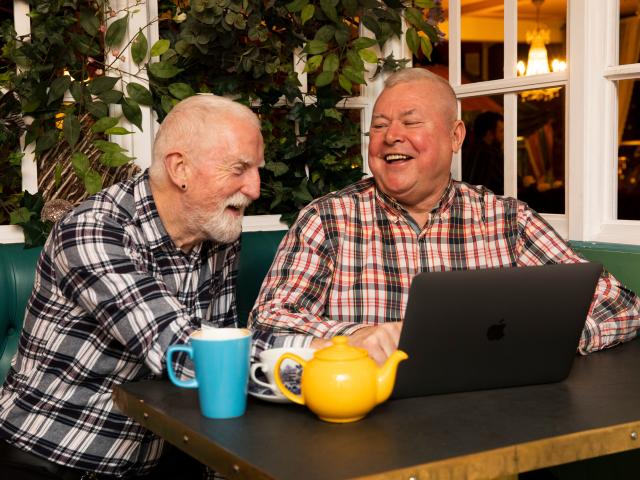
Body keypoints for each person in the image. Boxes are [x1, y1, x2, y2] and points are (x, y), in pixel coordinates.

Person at [249, 67, 640, 366]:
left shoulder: (507, 220)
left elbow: (621, 305)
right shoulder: (327, 219)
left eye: (411, 122)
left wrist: (539, 339)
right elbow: (265, 325)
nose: (390, 136)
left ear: (456, 137)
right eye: (379, 126)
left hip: (490, 424)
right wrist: (354, 336)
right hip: (368, 428)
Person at [0, 94, 263, 479]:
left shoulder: (217, 231)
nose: (254, 189)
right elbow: (184, 353)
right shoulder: (92, 229)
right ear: (180, 169)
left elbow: (218, 353)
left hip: (155, 457)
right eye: (239, 169)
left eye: (257, 170)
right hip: (51, 456)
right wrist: (318, 358)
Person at [462, 111, 504, 195]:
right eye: (501, 131)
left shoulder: (465, 152)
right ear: (490, 134)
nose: (504, 135)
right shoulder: (490, 156)